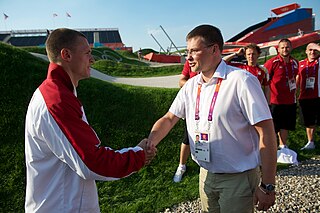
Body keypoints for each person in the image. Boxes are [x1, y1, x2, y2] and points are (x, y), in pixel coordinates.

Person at [147, 24, 277, 212]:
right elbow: (169, 118)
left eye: (194, 51)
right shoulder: (191, 85)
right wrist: (150, 143)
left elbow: (266, 131)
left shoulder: (241, 81)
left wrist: (268, 185)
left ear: (214, 49)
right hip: (206, 175)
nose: (188, 57)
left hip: (237, 178)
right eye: (187, 52)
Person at [24, 28, 156, 212]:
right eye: (87, 53)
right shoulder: (57, 100)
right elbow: (92, 162)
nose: (92, 60)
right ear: (66, 55)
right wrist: (139, 155)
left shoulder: (59, 91)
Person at [264, 39, 299, 149]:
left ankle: (283, 146)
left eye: (287, 47)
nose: (285, 49)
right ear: (278, 49)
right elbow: (264, 77)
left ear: (291, 48)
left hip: (289, 99)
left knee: (286, 125)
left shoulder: (295, 62)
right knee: (274, 126)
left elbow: (296, 76)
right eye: (282, 47)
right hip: (275, 100)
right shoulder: (272, 62)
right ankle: (271, 147)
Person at [173, 60, 199, 183]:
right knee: (187, 138)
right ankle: (181, 166)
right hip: (193, 107)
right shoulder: (190, 62)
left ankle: (205, 165)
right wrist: (195, 83)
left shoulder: (214, 63)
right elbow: (181, 81)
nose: (190, 55)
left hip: (210, 105)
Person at [297, 42, 320, 150]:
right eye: (310, 50)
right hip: (304, 96)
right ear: (306, 51)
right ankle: (310, 142)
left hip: (318, 95)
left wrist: (315, 45)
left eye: (314, 50)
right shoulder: (300, 63)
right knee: (308, 121)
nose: (312, 52)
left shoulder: (319, 62)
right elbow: (297, 78)